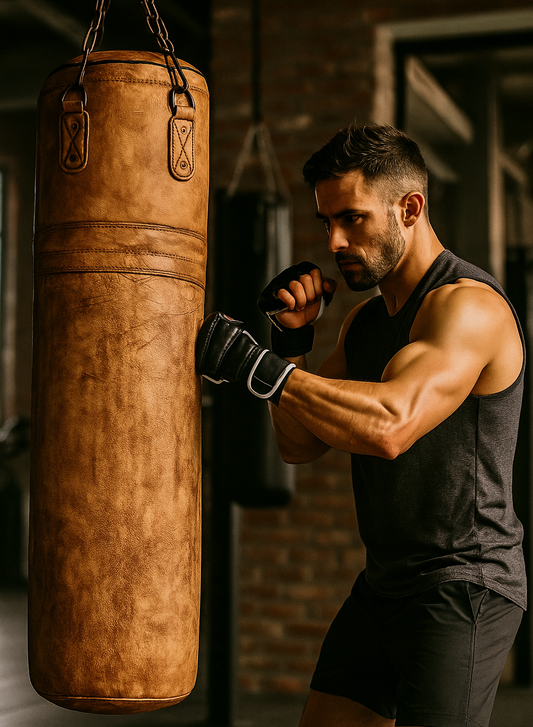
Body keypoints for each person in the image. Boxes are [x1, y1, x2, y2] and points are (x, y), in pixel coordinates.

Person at [196, 123, 526, 727]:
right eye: (327, 223)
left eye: (353, 219)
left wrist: (259, 369)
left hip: (463, 584)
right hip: (384, 583)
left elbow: (389, 426)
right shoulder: (365, 325)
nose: (337, 240)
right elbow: (297, 445)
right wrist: (290, 345)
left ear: (410, 207)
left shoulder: (469, 308)